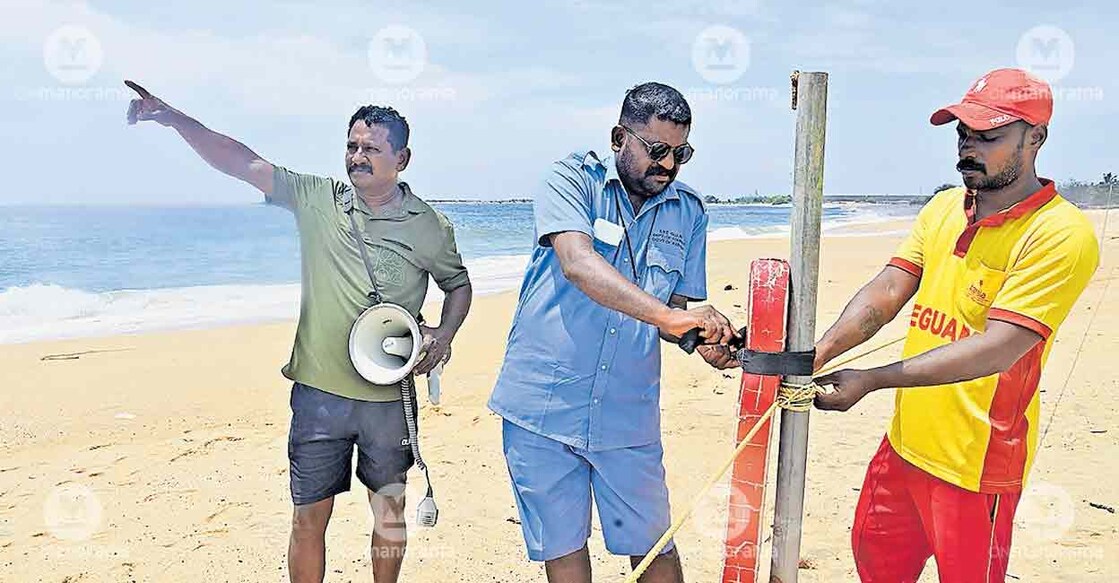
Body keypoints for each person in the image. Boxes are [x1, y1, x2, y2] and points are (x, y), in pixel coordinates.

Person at [124, 81, 473, 583]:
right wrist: (173, 118)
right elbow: (239, 161)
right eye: (352, 146)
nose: (357, 157)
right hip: (318, 395)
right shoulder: (316, 198)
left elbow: (457, 284)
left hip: (389, 400)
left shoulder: (430, 226)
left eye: (371, 148)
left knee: (390, 516)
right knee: (309, 517)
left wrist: (443, 335)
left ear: (403, 158)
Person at [812, 68, 1100, 581]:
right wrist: (822, 351)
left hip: (977, 467)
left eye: (988, 136)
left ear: (1036, 138)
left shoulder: (1060, 233)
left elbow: (997, 349)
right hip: (903, 447)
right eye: (963, 133)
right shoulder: (946, 206)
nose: (969, 147)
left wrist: (872, 379)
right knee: (875, 563)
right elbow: (889, 289)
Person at [488, 82, 740, 583]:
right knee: (564, 553)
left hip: (628, 419)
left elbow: (673, 312)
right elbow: (579, 264)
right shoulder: (570, 181)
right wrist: (669, 318)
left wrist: (702, 337)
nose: (668, 166)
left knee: (654, 551)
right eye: (657, 150)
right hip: (544, 410)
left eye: (681, 154)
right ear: (619, 136)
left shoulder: (688, 210)